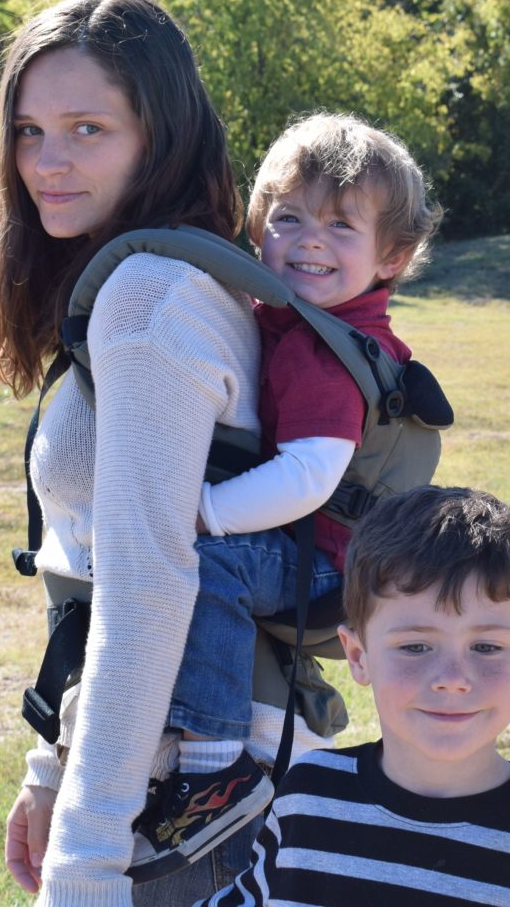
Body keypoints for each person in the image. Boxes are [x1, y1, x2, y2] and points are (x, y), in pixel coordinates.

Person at [0, 0, 328, 907]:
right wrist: (49, 765)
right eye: (27, 130)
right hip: (197, 762)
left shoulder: (146, 300)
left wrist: (84, 869)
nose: (47, 162)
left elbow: (144, 590)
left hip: (188, 797)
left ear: (158, 136)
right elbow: (95, 561)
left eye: (87, 128)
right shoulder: (185, 271)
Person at [132, 112, 443, 876]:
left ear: (392, 256)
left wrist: (202, 513)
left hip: (325, 564)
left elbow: (309, 475)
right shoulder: (298, 319)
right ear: (255, 225)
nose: (308, 238)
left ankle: (210, 767)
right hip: (317, 549)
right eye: (288, 216)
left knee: (210, 565)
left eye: (341, 226)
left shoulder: (318, 352)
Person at [191, 485, 510, 907]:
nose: (452, 679)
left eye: (486, 647)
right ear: (358, 655)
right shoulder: (310, 798)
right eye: (415, 647)